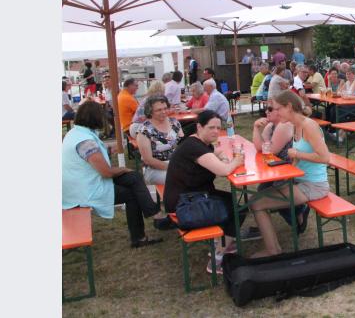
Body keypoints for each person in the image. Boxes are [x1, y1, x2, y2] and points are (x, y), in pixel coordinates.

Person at [63, 101, 169, 248]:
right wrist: (123, 169)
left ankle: (154, 215)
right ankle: (143, 232)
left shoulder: (75, 133)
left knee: (135, 178)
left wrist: (107, 151)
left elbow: (91, 159)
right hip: (84, 190)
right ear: (95, 118)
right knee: (132, 193)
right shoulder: (85, 141)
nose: (104, 119)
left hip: (84, 182)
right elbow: (106, 172)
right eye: (102, 115)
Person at [249, 91, 331, 258]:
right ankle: (275, 245)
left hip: (314, 186)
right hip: (299, 182)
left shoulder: (309, 125)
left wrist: (297, 155)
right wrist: (290, 171)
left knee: (257, 204)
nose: (276, 112)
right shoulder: (295, 125)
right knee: (255, 200)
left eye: (278, 109)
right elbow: (297, 155)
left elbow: (325, 158)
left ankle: (273, 250)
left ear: (289, 106)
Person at [164, 110, 245, 273]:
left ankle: (223, 242)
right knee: (239, 210)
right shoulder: (194, 147)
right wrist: (235, 161)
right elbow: (223, 171)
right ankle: (216, 260)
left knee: (232, 202)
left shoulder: (200, 143)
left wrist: (222, 158)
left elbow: (218, 153)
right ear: (199, 127)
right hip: (184, 203)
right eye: (211, 128)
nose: (215, 131)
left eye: (218, 128)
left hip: (192, 195)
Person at [136, 96, 184, 186]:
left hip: (175, 163)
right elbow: (148, 160)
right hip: (154, 169)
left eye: (165, 108)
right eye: (159, 110)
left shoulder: (174, 122)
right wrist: (172, 167)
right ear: (150, 112)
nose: (163, 112)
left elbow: (182, 144)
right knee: (179, 178)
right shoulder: (144, 130)